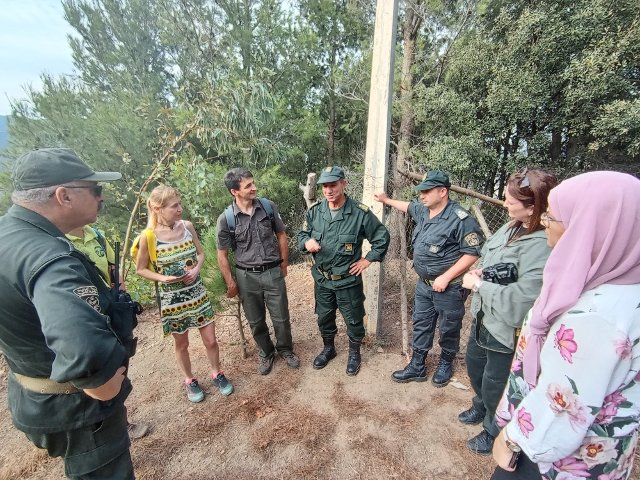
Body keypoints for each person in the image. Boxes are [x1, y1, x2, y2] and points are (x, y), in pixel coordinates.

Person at [491, 171, 640, 480]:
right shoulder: (622, 288)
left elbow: (563, 404)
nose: (546, 223)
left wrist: (512, 439)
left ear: (590, 228)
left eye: (553, 217)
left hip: (555, 460)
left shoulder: (597, 317)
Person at [0, 148, 134, 479]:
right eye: (94, 190)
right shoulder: (50, 258)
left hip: (32, 395)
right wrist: (101, 383)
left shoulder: (8, 236)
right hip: (78, 411)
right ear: (64, 196)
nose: (101, 199)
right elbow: (82, 348)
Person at [458, 169, 557, 456]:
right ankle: (481, 407)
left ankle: (494, 428)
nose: (504, 204)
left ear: (533, 207)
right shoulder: (511, 226)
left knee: (496, 382)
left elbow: (524, 299)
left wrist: (478, 285)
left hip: (505, 326)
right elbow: (493, 258)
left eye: (510, 200)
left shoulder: (542, 245)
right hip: (483, 316)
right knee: (476, 369)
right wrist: (483, 271)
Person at [374, 170, 484, 386]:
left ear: (443, 191)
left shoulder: (461, 219)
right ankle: (417, 365)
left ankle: (445, 362)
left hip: (450, 287)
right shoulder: (424, 211)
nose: (421, 196)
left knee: (449, 327)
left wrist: (446, 277)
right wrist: (386, 200)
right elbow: (407, 206)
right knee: (422, 324)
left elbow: (471, 253)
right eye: (420, 192)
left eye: (426, 191)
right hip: (424, 285)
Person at [134, 185, 233, 402]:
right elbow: (140, 269)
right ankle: (189, 380)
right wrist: (163, 278)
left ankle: (217, 373)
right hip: (172, 301)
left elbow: (201, 253)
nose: (180, 209)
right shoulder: (148, 237)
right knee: (182, 344)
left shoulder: (187, 227)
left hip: (197, 294)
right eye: (174, 206)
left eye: (179, 204)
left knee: (211, 340)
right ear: (157, 208)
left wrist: (196, 270)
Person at [297, 166, 390, 376]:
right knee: (324, 316)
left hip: (348, 281)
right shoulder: (315, 212)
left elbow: (382, 237)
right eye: (325, 186)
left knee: (354, 318)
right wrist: (307, 242)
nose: (328, 190)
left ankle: (354, 353)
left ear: (343, 184)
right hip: (322, 280)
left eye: (333, 185)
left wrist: (368, 260)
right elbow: (301, 236)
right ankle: (328, 348)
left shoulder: (359, 213)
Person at [66, 224, 151, 440]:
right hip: (81, 320)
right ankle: (101, 428)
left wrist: (121, 297)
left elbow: (115, 271)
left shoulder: (96, 236)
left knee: (117, 364)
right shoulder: (58, 241)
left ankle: (121, 421)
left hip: (109, 312)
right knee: (93, 371)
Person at [216, 168, 299, 375]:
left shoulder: (267, 207)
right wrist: (230, 283)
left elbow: (281, 235)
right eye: (248, 186)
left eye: (253, 183)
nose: (254, 188)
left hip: (272, 271)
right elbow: (222, 255)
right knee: (255, 320)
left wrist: (284, 264)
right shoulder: (226, 219)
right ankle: (266, 352)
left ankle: (286, 350)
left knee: (281, 316)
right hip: (246, 276)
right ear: (234, 191)